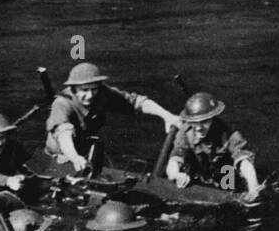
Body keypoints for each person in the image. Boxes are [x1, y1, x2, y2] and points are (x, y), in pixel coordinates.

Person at [43, 62, 180, 173]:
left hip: (85, 152)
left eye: (94, 89)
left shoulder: (102, 94)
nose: (90, 95)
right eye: (84, 90)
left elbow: (136, 102)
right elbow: (63, 134)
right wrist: (74, 157)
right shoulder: (62, 104)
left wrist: (167, 116)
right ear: (73, 88)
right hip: (59, 158)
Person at [166, 92, 263, 202]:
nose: (198, 128)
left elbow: (244, 162)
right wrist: (176, 175)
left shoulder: (228, 133)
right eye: (194, 122)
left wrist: (253, 188)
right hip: (198, 177)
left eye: (204, 121)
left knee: (229, 190)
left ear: (213, 118)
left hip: (226, 177)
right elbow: (174, 160)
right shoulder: (185, 132)